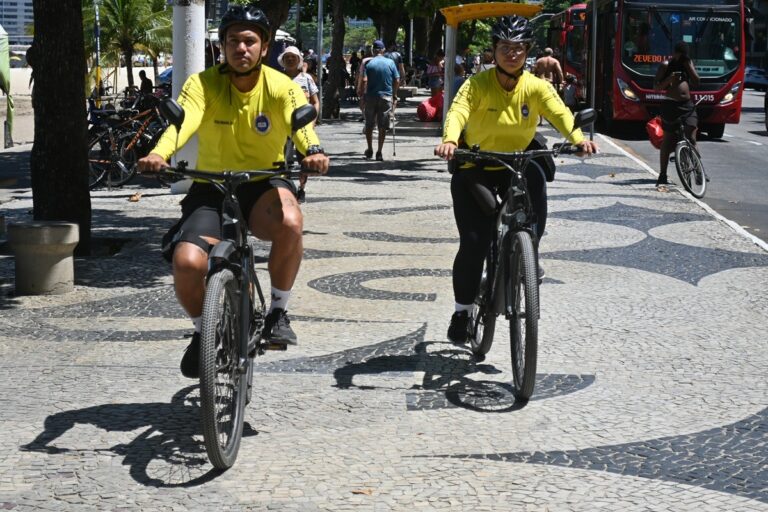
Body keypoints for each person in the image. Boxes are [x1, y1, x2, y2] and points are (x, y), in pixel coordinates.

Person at [137, 5, 330, 379]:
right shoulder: (202, 84)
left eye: (249, 41)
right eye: (232, 42)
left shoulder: (282, 86)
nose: (241, 49)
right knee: (188, 262)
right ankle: (201, 331)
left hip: (262, 183)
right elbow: (184, 122)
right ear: (221, 46)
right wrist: (159, 153)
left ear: (264, 46)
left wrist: (313, 152)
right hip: (211, 185)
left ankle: (278, 311)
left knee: (291, 221)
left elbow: (299, 123)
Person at [434, 15, 598, 344]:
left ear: (528, 52)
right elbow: (458, 111)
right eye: (505, 48)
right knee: (475, 242)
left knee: (537, 179)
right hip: (476, 167)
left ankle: (527, 251)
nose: (512, 54)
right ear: (493, 50)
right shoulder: (477, 84)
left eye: (519, 48)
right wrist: (450, 139)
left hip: (517, 165)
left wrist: (579, 139)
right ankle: (463, 310)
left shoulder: (537, 86)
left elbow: (559, 113)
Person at [653, 41, 700, 191]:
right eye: (680, 56)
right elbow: (656, 87)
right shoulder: (666, 65)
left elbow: (697, 81)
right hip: (670, 106)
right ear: (674, 53)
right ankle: (663, 174)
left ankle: (698, 170)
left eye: (684, 56)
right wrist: (669, 79)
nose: (681, 59)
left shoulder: (687, 63)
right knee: (667, 140)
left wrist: (688, 66)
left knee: (692, 137)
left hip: (687, 106)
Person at [278, 45, 320, 203]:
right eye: (287, 57)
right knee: (283, 161)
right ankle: (286, 188)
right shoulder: (278, 78)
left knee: (304, 161)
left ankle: (302, 188)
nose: (289, 60)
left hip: (304, 128)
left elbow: (315, 102)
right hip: (283, 128)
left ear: (299, 60)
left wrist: (313, 122)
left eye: (293, 58)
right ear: (282, 60)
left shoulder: (306, 78)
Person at [363, 40, 400, 161]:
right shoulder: (390, 63)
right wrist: (394, 94)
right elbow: (397, 80)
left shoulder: (368, 63)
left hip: (371, 97)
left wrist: (363, 95)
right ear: (383, 50)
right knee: (382, 125)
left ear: (373, 50)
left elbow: (364, 81)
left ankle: (369, 149)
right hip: (386, 97)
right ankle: (379, 151)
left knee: (369, 124)